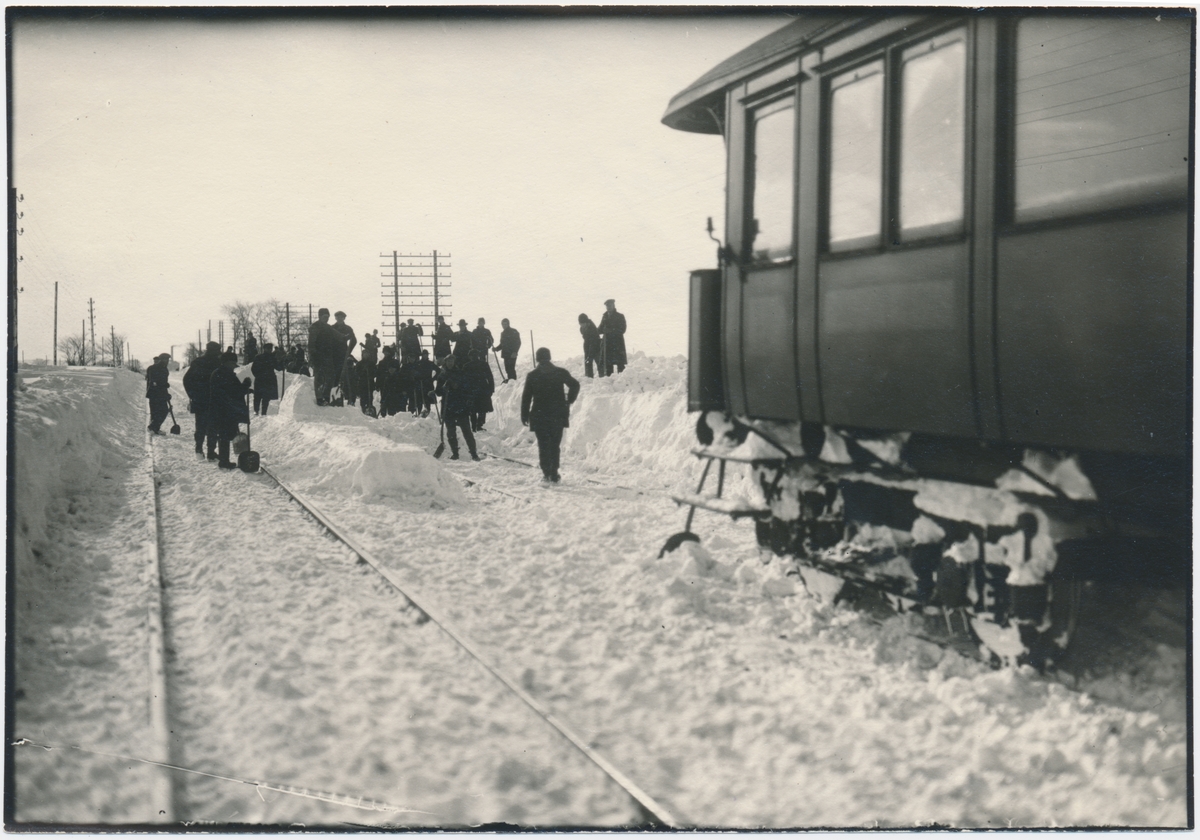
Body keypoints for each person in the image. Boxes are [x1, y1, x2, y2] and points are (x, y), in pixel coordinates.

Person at [521, 347, 580, 483]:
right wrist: (569, 400)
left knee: (543, 445)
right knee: (554, 444)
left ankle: (546, 472)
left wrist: (524, 415)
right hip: (557, 414)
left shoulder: (533, 375)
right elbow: (575, 385)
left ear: (537, 359)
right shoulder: (560, 372)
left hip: (539, 415)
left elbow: (526, 397)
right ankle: (554, 472)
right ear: (549, 357)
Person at [208, 350, 252, 470]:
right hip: (226, 410)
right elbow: (235, 391)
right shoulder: (226, 374)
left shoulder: (218, 372)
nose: (234, 366)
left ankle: (224, 460)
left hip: (221, 409)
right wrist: (246, 384)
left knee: (224, 435)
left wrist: (245, 388)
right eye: (232, 363)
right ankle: (224, 461)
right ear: (226, 362)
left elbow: (231, 389)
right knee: (225, 435)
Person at [183, 341, 223, 458]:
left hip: (202, 399)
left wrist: (192, 395)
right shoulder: (217, 363)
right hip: (212, 400)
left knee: (201, 425)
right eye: (217, 350)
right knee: (213, 427)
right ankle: (209, 452)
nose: (219, 353)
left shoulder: (198, 362)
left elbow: (186, 380)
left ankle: (200, 449)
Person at [436, 355, 480, 460]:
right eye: (448, 361)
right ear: (445, 362)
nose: (450, 363)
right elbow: (438, 392)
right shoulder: (442, 375)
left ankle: (474, 453)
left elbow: (467, 387)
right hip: (448, 407)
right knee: (451, 432)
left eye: (452, 361)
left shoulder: (460, 373)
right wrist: (444, 388)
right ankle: (455, 454)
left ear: (454, 362)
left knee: (467, 431)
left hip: (460, 406)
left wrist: (457, 386)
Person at [308, 308, 344, 405]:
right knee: (319, 377)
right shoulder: (315, 327)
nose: (326, 319)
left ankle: (326, 396)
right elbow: (311, 343)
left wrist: (344, 337)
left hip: (328, 356)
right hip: (318, 356)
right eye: (324, 317)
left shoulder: (328, 327)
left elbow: (337, 335)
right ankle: (319, 398)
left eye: (328, 317)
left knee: (330, 376)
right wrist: (313, 355)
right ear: (320, 317)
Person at [464, 349, 495, 432]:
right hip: (482, 388)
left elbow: (464, 380)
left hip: (473, 389)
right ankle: (479, 425)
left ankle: (474, 426)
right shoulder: (484, 364)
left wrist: (465, 390)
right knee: (482, 408)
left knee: (473, 409)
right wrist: (491, 388)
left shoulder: (467, 366)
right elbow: (490, 377)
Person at [597, 298, 627, 376]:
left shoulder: (620, 316)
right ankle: (609, 381)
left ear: (613, 305)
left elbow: (622, 329)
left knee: (620, 365)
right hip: (607, 345)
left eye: (610, 305)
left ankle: (622, 380)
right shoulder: (605, 317)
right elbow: (600, 328)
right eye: (607, 306)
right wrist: (595, 331)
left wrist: (611, 330)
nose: (608, 307)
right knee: (608, 365)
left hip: (617, 344)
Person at [145, 353, 171, 434]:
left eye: (168, 359)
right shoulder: (155, 368)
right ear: (161, 359)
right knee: (163, 411)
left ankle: (155, 428)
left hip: (156, 393)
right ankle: (152, 427)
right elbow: (154, 382)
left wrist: (165, 388)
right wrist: (164, 386)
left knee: (157, 412)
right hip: (156, 393)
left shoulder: (164, 368)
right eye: (165, 359)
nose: (167, 361)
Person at [251, 342, 279, 416]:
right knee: (257, 396)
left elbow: (278, 367)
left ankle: (264, 412)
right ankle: (256, 410)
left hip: (268, 380)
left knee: (266, 396)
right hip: (260, 379)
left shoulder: (272, 358)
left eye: (270, 349)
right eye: (268, 348)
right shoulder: (258, 357)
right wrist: (258, 375)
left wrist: (282, 362)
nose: (269, 350)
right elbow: (253, 368)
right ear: (264, 349)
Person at [376, 345, 402, 418]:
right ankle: (383, 414)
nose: (386, 353)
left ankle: (392, 413)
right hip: (383, 383)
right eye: (385, 352)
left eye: (387, 352)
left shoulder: (395, 361)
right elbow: (378, 374)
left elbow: (398, 372)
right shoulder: (381, 363)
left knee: (393, 400)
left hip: (394, 382)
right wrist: (377, 384)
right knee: (384, 398)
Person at [414, 349, 438, 417]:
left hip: (428, 384)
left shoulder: (430, 363)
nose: (425, 356)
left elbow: (438, 370)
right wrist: (416, 377)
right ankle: (419, 413)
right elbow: (413, 372)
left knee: (428, 399)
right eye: (424, 355)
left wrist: (433, 378)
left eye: (426, 354)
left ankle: (427, 413)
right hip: (419, 383)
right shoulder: (418, 363)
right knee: (419, 399)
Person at [578, 313, 602, 379]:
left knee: (599, 364)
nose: (581, 325)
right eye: (580, 324)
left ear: (586, 322)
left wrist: (590, 355)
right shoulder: (582, 329)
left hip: (596, 347)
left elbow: (593, 342)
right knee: (588, 364)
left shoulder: (592, 328)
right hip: (587, 347)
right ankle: (589, 379)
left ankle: (602, 378)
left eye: (582, 323)